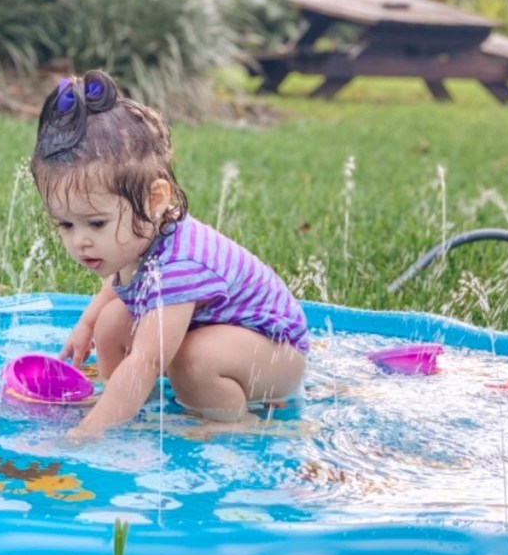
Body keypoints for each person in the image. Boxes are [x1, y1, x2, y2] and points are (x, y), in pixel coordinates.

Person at [30, 70, 308, 441]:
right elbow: (116, 288)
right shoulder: (137, 235)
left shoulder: (180, 265)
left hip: (275, 355)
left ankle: (233, 422)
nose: (80, 242)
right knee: (111, 321)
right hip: (229, 338)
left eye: (95, 224)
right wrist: (86, 326)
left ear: (155, 200)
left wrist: (88, 433)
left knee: (193, 360)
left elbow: (148, 359)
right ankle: (122, 401)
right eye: (65, 225)